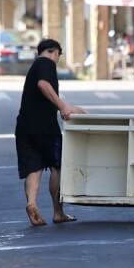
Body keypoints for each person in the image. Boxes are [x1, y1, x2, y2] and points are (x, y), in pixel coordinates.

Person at [16, 39, 86, 227]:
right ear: (55, 52)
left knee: (34, 168)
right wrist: (63, 107)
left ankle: (31, 203)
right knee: (56, 167)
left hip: (24, 126)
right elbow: (44, 85)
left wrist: (69, 107)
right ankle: (58, 212)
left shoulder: (35, 66)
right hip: (44, 128)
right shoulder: (46, 63)